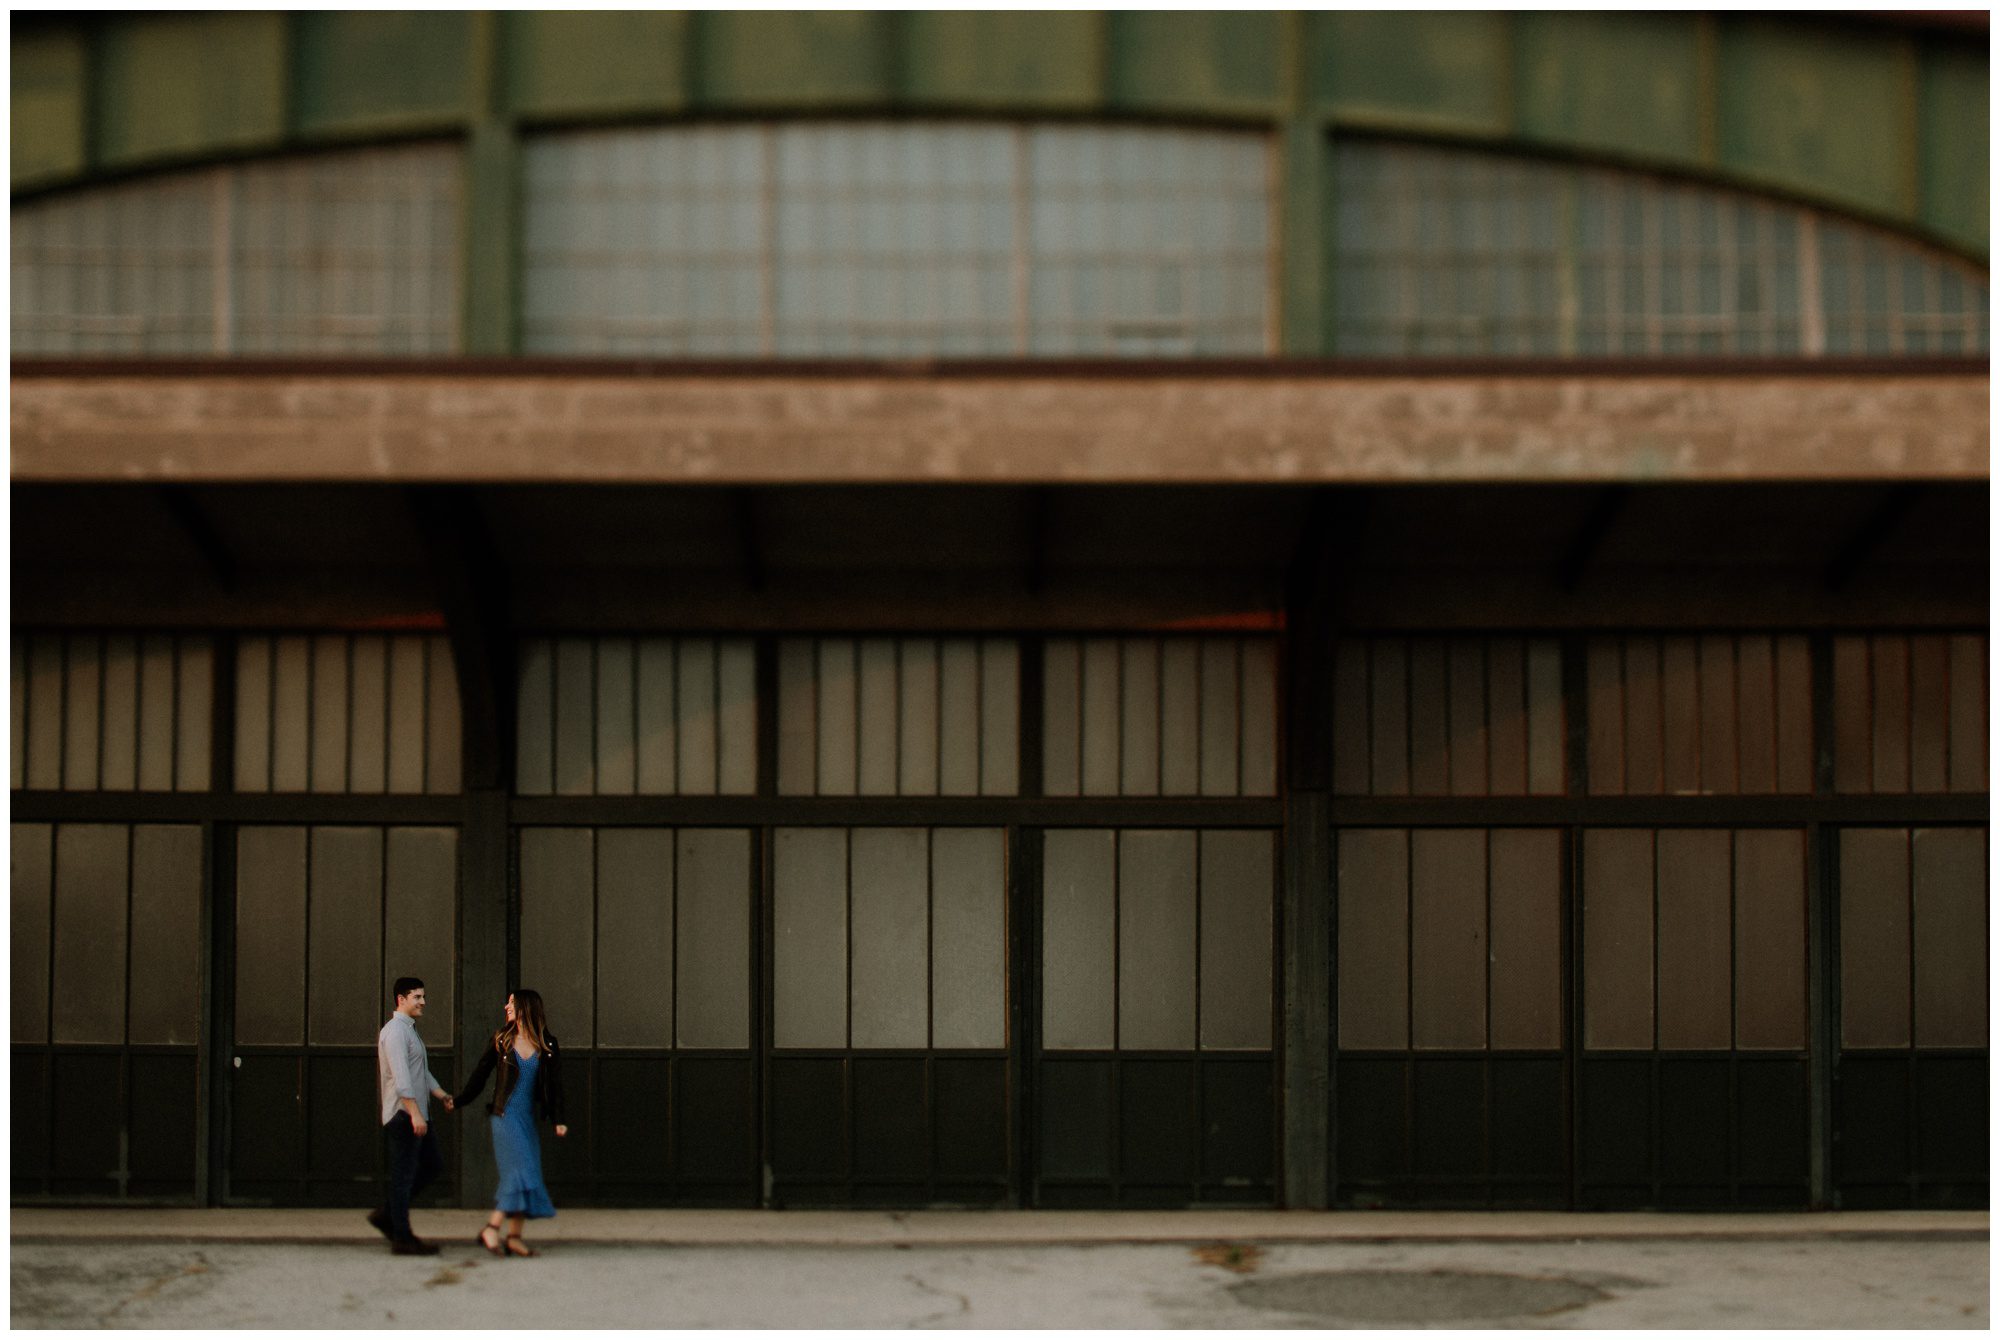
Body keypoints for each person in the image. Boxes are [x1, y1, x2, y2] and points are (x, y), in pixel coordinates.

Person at [455, 989, 568, 1258]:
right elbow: (480, 1075)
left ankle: (514, 1237)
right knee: (519, 1173)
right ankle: (492, 1228)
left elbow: (556, 1087)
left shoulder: (548, 1045)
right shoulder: (502, 1040)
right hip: (505, 1117)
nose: (506, 1006)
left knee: (527, 1175)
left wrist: (559, 1119)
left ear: (526, 1008)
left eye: (512, 1003)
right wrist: (459, 1101)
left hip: (527, 1119)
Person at [371, 976, 455, 1256]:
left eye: (423, 996)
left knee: (432, 1166)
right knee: (403, 1177)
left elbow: (421, 1073)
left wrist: (441, 1094)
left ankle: (387, 1214)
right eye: (417, 997)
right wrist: (415, 1114)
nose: (423, 1002)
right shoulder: (395, 1032)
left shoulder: (409, 1030)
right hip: (404, 1115)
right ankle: (402, 1238)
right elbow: (401, 1077)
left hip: (417, 1113)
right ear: (401, 999)